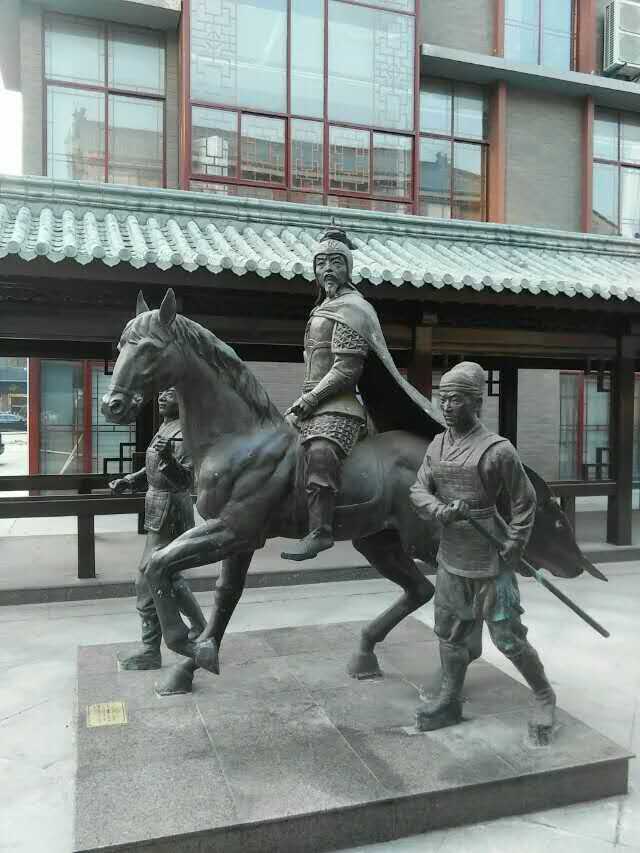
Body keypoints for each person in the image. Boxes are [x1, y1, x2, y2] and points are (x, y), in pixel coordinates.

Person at [409, 361, 556, 738]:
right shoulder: (437, 444)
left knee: (507, 637)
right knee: (450, 632)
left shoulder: (498, 450)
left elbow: (525, 500)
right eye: (443, 398)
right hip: (452, 554)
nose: (446, 406)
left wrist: (516, 542)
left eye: (455, 399)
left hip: (491, 554)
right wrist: (439, 510)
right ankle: (449, 698)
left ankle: (543, 693)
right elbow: (418, 489)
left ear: (476, 403)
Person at [281, 228, 442, 562]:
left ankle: (321, 530)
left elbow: (345, 370)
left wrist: (310, 400)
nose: (327, 269)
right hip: (310, 404)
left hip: (339, 407)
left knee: (321, 451)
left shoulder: (353, 309)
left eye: (336, 262)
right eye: (321, 263)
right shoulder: (321, 309)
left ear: (348, 268)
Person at [110, 387, 205, 670]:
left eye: (171, 393)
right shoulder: (167, 425)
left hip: (171, 509)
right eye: (162, 392)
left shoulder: (188, 431)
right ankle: (200, 626)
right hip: (158, 506)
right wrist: (131, 480)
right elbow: (152, 468)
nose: (162, 397)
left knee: (146, 577)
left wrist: (169, 460)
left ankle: (150, 650)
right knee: (169, 576)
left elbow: (184, 480)